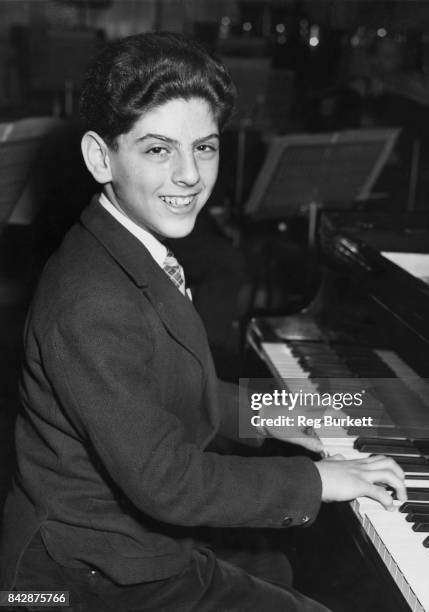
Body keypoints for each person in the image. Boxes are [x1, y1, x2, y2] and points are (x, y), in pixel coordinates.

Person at [0, 32, 406, 611]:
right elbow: (168, 482)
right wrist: (319, 480)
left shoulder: (132, 244)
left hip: (129, 543)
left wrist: (297, 413)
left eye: (206, 147)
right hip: (81, 577)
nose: (190, 175)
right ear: (100, 157)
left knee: (286, 564)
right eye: (159, 150)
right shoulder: (91, 300)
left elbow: (179, 390)